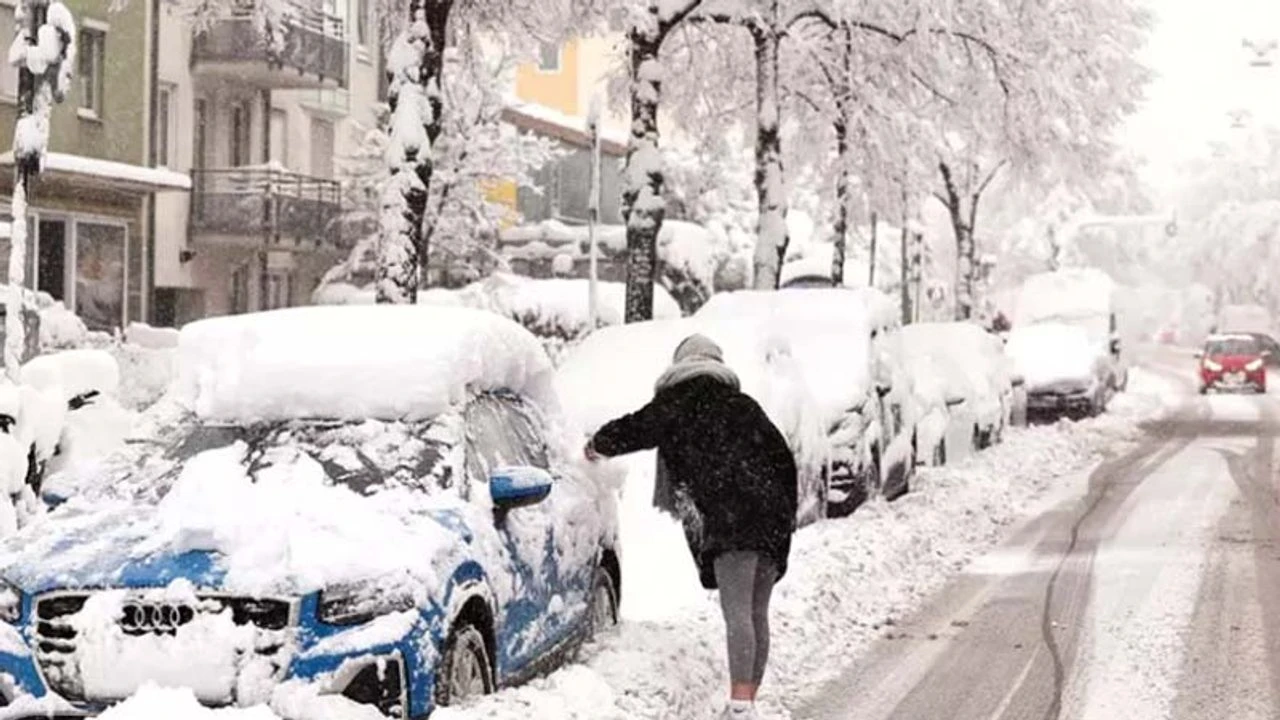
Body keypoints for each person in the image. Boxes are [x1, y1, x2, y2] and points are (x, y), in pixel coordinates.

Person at [584, 334, 797, 719]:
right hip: (771, 516)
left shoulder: (680, 400)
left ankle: (741, 706)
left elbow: (637, 428)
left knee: (737, 612)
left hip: (732, 516)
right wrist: (785, 518)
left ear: (681, 364)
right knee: (755, 612)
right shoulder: (744, 406)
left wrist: (597, 444)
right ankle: (747, 699)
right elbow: (783, 459)